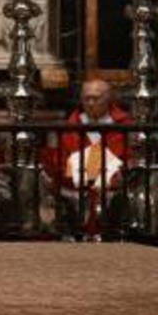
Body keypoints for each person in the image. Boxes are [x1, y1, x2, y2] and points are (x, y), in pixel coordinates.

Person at [54, 77, 133, 238]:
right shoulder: (71, 127)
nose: (90, 103)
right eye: (86, 98)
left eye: (96, 98)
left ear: (108, 98)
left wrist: (120, 174)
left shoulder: (124, 125)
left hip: (114, 195)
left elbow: (131, 159)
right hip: (78, 194)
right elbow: (61, 164)